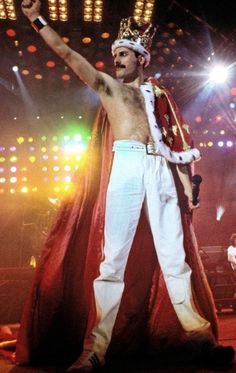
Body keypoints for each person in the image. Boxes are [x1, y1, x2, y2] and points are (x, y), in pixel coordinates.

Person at [18, 1, 234, 372]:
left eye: (123, 54)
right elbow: (66, 53)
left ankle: (199, 337)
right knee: (112, 259)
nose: (116, 58)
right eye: (114, 53)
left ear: (141, 58)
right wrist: (36, 19)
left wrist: (187, 188)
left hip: (161, 170)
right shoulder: (107, 88)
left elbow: (178, 145)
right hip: (128, 163)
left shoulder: (160, 97)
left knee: (174, 256)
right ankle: (95, 349)